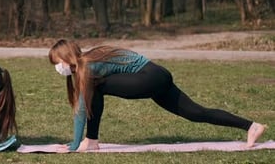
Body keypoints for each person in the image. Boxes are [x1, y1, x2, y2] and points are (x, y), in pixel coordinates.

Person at [48, 39, 266, 152]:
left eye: (57, 63)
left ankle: (91, 140)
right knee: (196, 112)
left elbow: (82, 107)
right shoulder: (88, 64)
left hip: (149, 76)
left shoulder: (89, 66)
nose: (57, 68)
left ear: (67, 58)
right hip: (157, 76)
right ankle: (251, 126)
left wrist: (75, 144)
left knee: (96, 87)